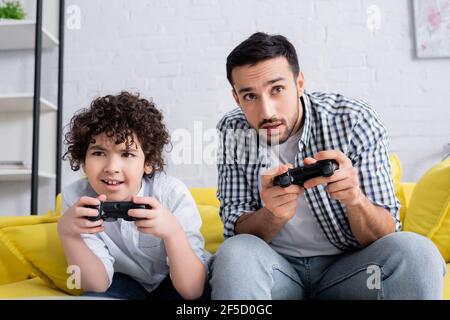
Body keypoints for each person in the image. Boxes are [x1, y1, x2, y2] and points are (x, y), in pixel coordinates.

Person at [210, 32, 446, 299]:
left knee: (418, 252)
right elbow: (235, 229)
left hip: (351, 272)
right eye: (250, 96)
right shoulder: (233, 130)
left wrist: (355, 199)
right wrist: (272, 214)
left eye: (277, 89)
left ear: (299, 83)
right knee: (234, 253)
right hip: (278, 273)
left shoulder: (354, 120)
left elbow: (388, 232)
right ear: (236, 98)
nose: (267, 112)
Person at [58, 91, 209, 300]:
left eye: (127, 154)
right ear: (83, 159)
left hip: (175, 281)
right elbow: (96, 285)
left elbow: (192, 290)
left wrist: (172, 232)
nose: (112, 168)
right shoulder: (76, 198)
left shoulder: (172, 193)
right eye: (98, 153)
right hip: (121, 282)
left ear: (148, 163)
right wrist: (68, 235)